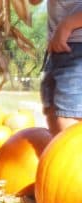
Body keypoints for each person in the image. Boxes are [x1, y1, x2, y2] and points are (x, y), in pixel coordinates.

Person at [31, 0, 82, 134]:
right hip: (57, 50)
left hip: (78, 50)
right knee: (53, 113)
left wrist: (68, 24)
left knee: (69, 116)